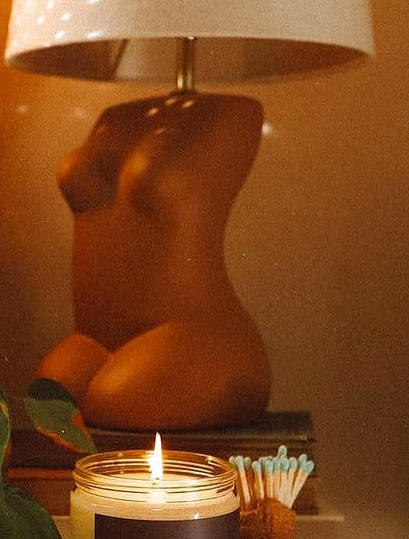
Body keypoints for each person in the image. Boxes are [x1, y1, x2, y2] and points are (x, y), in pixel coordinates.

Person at [35, 91, 271, 430]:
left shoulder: (234, 113)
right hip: (92, 340)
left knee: (113, 398)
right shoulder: (114, 117)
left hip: (190, 335)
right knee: (50, 394)